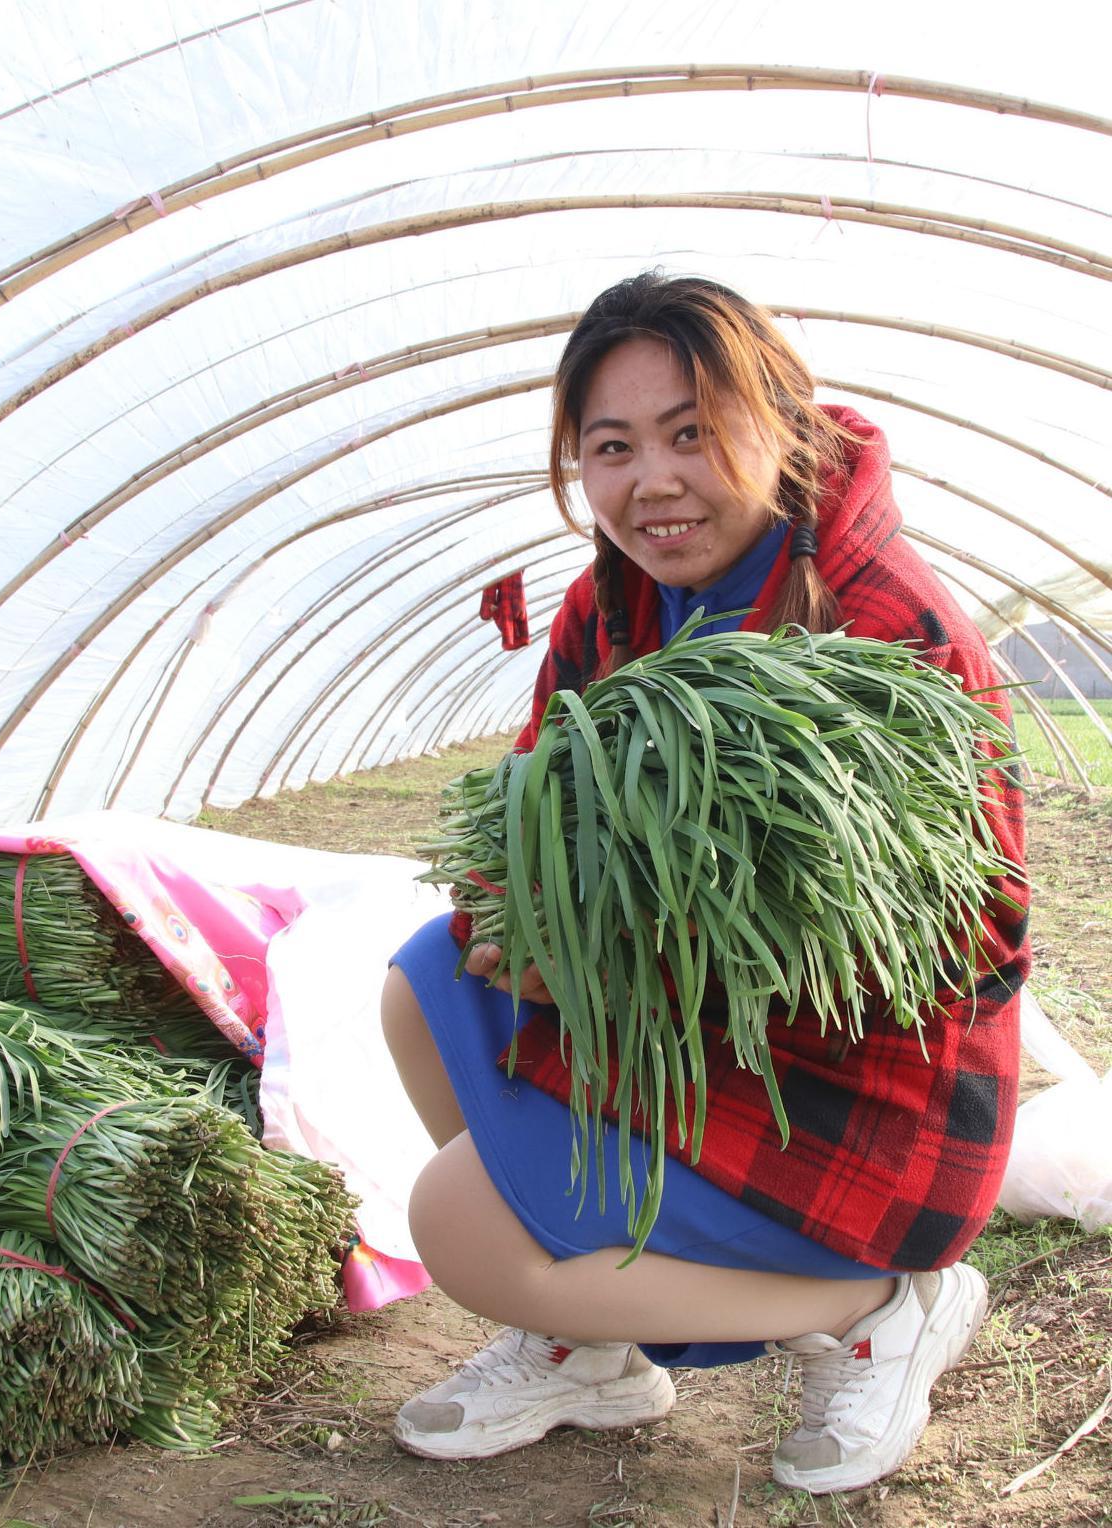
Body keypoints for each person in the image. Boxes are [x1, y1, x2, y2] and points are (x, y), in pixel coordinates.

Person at [382, 272, 1029, 1495]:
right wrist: (511, 918)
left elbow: (977, 935)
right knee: (421, 986)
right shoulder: (614, 596)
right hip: (669, 1023)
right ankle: (594, 1350)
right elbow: (529, 803)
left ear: (779, 422)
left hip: (858, 1083)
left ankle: (879, 1305)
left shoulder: (884, 619)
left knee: (458, 1225)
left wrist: (641, 960)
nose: (652, 481)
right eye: (610, 447)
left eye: (692, 431)